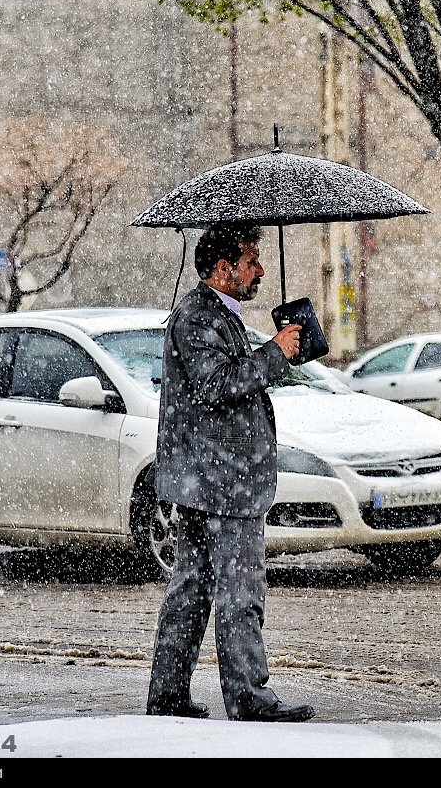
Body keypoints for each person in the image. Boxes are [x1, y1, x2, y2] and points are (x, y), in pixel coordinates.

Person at [146, 222, 315, 723]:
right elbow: (218, 386)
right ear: (223, 270)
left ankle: (169, 696)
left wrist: (274, 354)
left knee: (192, 592)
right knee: (238, 594)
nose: (259, 270)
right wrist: (274, 354)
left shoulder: (217, 315)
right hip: (223, 484)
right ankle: (248, 697)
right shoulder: (199, 318)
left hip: (212, 480)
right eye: (250, 261)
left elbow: (226, 388)